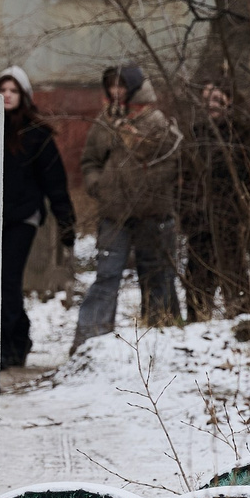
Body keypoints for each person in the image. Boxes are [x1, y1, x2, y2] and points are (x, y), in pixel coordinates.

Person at [71, 62, 184, 349]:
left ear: (134, 87)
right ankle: (90, 341)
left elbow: (170, 165)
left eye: (121, 85)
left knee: (156, 275)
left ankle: (160, 339)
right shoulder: (105, 121)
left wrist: (147, 189)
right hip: (114, 215)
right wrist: (100, 187)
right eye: (111, 86)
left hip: (153, 214)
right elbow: (90, 162)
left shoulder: (156, 122)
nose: (115, 91)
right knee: (107, 275)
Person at [0, 67, 77, 369]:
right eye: (2, 90)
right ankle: (9, 341)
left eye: (13, 91)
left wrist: (66, 222)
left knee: (7, 280)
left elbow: (55, 180)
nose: (7, 96)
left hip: (24, 215)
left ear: (24, 95)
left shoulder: (36, 134)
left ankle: (11, 344)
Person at [180, 78, 250, 318]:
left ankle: (240, 312)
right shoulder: (195, 134)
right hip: (199, 214)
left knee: (234, 264)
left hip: (230, 211)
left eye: (218, 99)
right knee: (197, 268)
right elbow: (186, 177)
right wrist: (186, 211)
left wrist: (246, 207)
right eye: (207, 99)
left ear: (229, 102)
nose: (212, 105)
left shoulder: (241, 134)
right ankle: (197, 315)